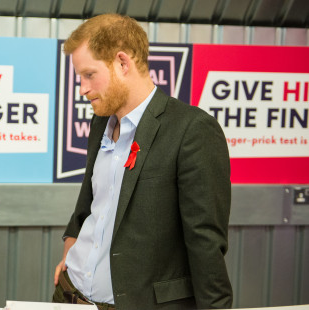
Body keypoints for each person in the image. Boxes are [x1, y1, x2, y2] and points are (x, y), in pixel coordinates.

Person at [52, 14, 233, 309]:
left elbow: (206, 246)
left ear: (123, 63)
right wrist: (69, 255)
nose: (82, 89)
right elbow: (89, 202)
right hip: (70, 295)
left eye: (89, 75)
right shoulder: (101, 122)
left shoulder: (192, 130)